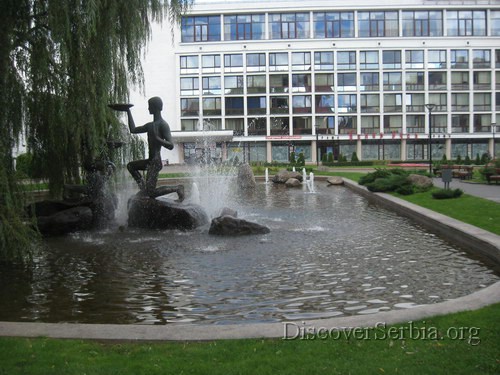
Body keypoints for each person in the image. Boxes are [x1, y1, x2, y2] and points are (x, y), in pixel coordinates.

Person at [125, 97, 184, 200]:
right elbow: (133, 130)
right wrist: (128, 111)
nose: (148, 108)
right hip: (150, 160)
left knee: (151, 193)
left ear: (155, 107)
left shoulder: (163, 125)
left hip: (155, 162)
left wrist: (157, 139)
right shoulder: (150, 125)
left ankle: (177, 188)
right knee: (131, 166)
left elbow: (170, 145)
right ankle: (143, 189)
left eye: (149, 106)